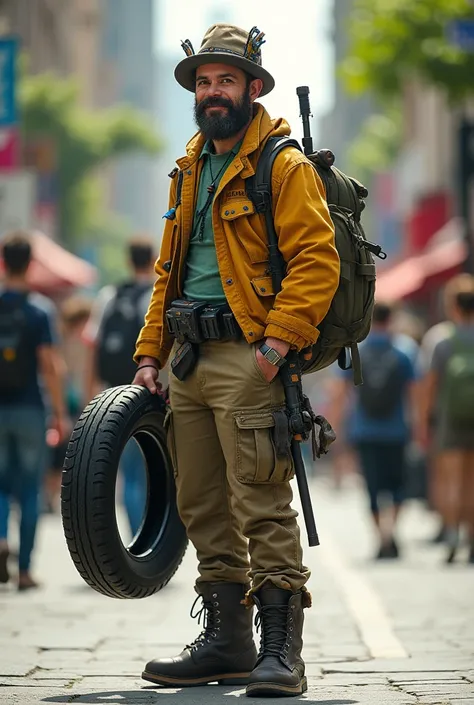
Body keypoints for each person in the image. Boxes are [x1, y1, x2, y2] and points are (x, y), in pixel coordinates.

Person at [132, 23, 340, 697]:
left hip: (251, 355)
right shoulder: (191, 165)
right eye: (203, 81)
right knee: (200, 504)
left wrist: (277, 343)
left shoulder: (282, 165)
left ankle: (283, 651)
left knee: (261, 504)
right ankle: (227, 640)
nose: (213, 91)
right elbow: (170, 270)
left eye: (225, 80)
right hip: (187, 359)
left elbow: (317, 259)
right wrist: (148, 354)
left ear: (253, 87)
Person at [0, 232, 68, 590]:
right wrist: (59, 413)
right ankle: (24, 570)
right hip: (29, 408)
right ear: (30, 264)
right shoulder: (39, 309)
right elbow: (50, 366)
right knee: (29, 489)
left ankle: (0, 540)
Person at [330, 302, 418, 560]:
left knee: (372, 487)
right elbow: (416, 392)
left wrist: (336, 429)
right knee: (398, 486)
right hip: (397, 430)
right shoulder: (405, 351)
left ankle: (380, 537)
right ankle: (392, 534)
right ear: (391, 319)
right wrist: (420, 426)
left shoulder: (356, 350)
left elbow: (339, 392)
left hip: (365, 430)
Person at [82, 236, 156, 538]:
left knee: (131, 473)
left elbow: (92, 347)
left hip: (113, 397)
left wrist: (91, 397)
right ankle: (149, 534)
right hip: (150, 394)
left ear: (128, 261)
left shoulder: (109, 296)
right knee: (154, 469)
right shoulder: (155, 296)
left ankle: (136, 535)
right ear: (152, 261)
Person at [420, 284, 474, 564]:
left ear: (454, 306)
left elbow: (429, 385)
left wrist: (424, 421)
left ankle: (452, 536)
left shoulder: (441, 339)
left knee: (452, 480)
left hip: (450, 418)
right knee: (472, 481)